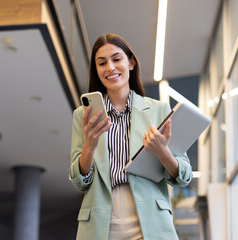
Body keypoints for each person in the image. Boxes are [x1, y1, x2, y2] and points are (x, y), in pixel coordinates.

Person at [69, 34, 192, 240]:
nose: (110, 67)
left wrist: (163, 153)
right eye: (102, 63)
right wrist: (89, 147)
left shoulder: (158, 110)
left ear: (131, 62)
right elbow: (79, 182)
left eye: (117, 59)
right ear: (96, 70)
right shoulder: (83, 115)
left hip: (149, 220)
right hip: (100, 222)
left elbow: (184, 176)